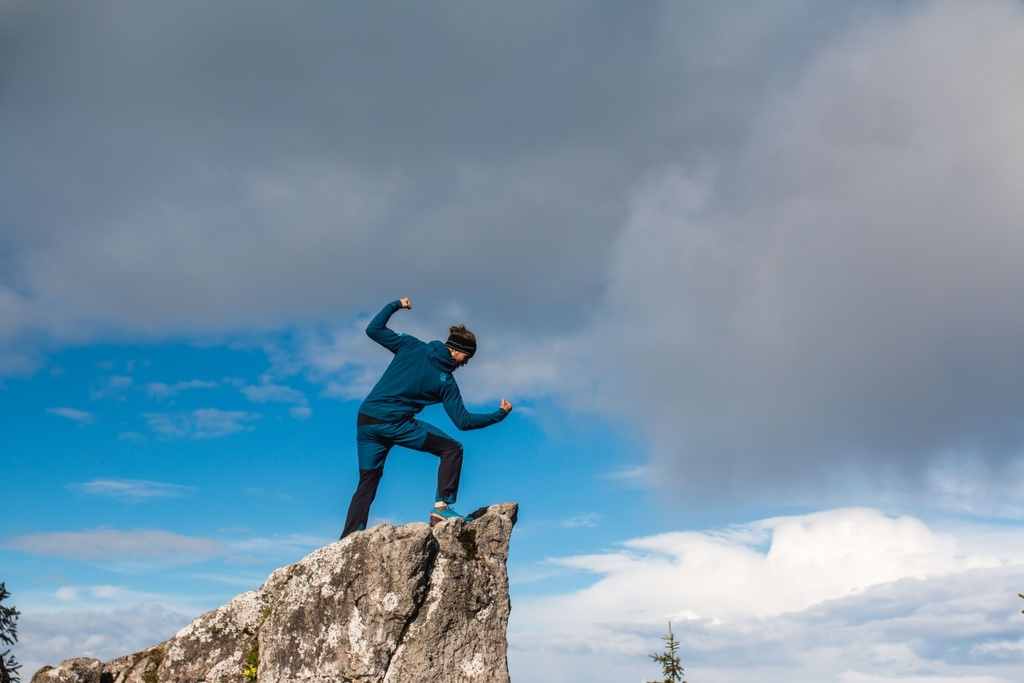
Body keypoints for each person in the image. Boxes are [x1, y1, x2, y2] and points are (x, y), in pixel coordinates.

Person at [340, 297, 512, 539]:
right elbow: (463, 422)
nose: (466, 363)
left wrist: (396, 304)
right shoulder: (447, 382)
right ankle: (442, 507)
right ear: (456, 350)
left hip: (367, 420)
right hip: (395, 423)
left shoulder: (411, 345)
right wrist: (500, 415)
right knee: (452, 449)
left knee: (368, 480)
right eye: (467, 357)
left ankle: (350, 537)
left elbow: (373, 329)